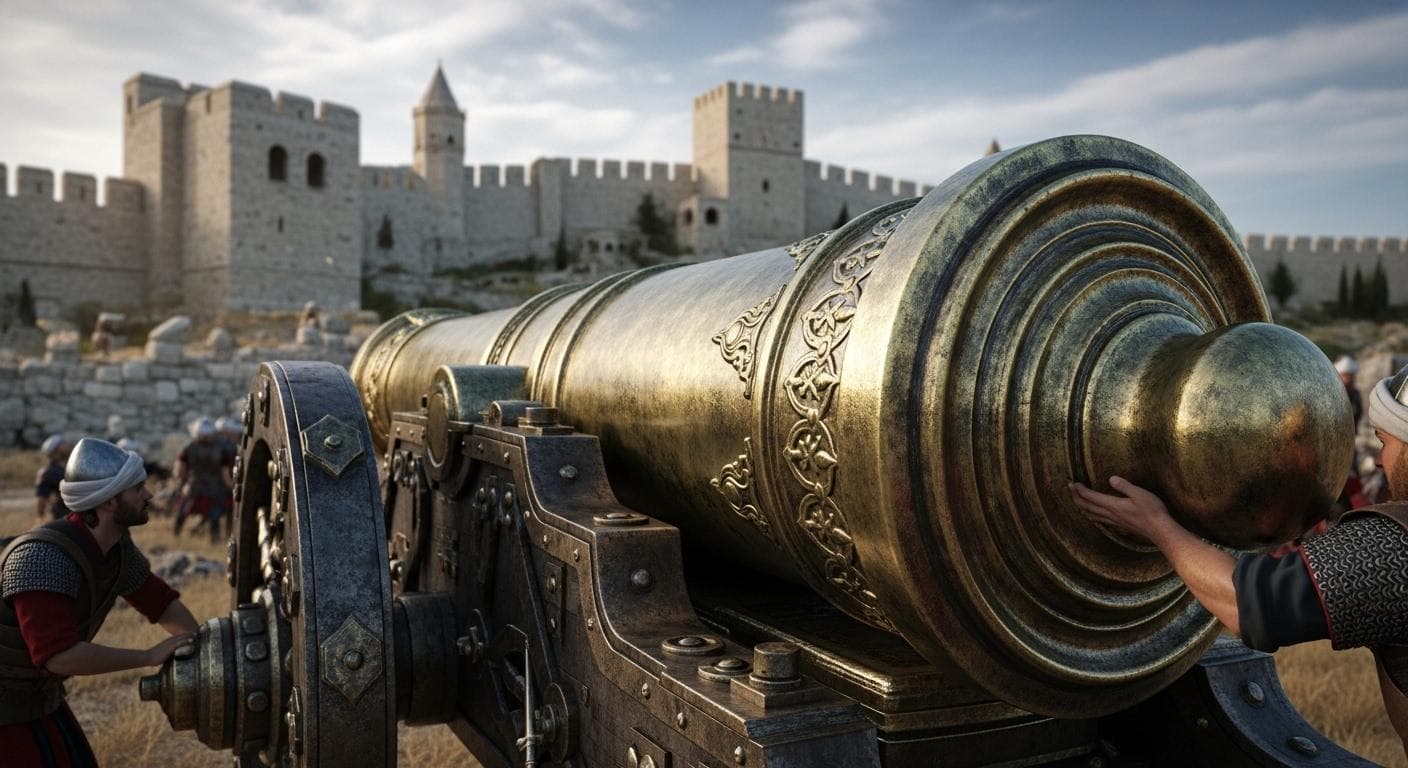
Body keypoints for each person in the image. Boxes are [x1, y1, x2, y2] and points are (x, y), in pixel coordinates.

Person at [1068, 361, 1408, 758]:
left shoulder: (1394, 547)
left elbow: (1249, 605)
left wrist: (1157, 526)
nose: (1382, 461)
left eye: (1385, 442)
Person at [0, 437, 198, 765]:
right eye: (138, 489)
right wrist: (147, 656)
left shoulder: (116, 552)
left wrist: (201, 645)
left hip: (41, 702)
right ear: (108, 502)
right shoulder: (42, 558)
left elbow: (160, 603)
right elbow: (59, 656)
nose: (149, 495)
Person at [173, 417, 234, 543]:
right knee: (188, 510)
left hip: (204, 485)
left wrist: (181, 482)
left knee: (210, 513)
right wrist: (230, 486)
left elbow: (180, 471)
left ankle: (214, 540)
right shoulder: (218, 449)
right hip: (201, 485)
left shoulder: (191, 447)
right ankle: (177, 534)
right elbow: (181, 469)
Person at [34, 434, 70, 522]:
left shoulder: (69, 468)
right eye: (63, 443)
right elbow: (41, 500)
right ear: (56, 449)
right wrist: (41, 517)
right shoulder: (48, 473)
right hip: (60, 519)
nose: (67, 445)